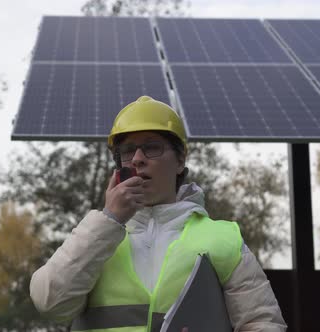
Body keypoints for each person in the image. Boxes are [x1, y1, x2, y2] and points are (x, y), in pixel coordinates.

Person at [30, 96, 287, 331]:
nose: (138, 159)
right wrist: (110, 218)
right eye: (128, 151)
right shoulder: (95, 237)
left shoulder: (223, 239)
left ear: (180, 161)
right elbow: (50, 303)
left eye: (152, 147)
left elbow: (263, 323)